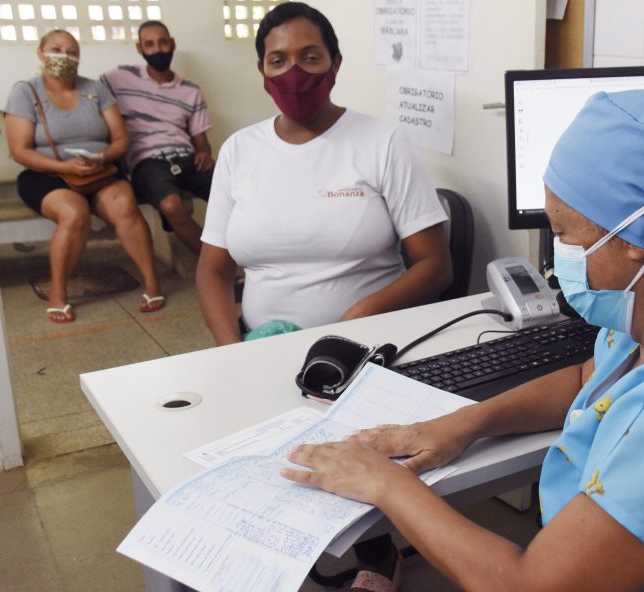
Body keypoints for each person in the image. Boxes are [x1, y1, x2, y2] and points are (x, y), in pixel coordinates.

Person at [281, 90, 644, 591]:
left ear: (635, 238)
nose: (558, 258)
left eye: (564, 234)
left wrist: (384, 485)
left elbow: (531, 584)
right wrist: (459, 426)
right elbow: (588, 378)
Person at [196, 3, 452, 588]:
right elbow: (212, 270)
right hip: (260, 349)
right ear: (261, 70)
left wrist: (360, 317)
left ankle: (377, 554)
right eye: (277, 60)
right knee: (261, 474)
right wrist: (230, 349)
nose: (294, 73)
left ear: (335, 63)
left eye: (310, 57)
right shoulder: (240, 151)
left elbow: (436, 264)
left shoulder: (382, 141)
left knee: (345, 461)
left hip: (360, 356)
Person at [5, 29, 164, 323]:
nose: (64, 56)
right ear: (41, 53)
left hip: (98, 171)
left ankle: (151, 282)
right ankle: (58, 292)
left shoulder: (95, 89)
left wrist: (103, 156)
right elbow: (19, 150)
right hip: (47, 174)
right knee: (74, 213)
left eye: (72, 51)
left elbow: (120, 138)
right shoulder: (25, 92)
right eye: (56, 49)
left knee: (124, 207)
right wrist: (65, 167)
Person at [101, 20, 214, 255]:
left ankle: (251, 256)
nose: (158, 49)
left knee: (234, 195)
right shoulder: (118, 78)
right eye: (149, 44)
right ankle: (215, 264)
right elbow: (88, 97)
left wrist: (204, 153)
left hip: (188, 159)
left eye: (163, 42)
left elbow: (200, 139)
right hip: (147, 162)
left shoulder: (191, 90)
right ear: (139, 49)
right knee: (171, 205)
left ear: (172, 43)